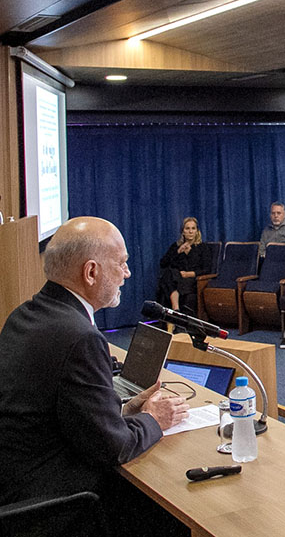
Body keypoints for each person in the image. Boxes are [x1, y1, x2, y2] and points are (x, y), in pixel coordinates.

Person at [0, 217, 189, 524]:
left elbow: (65, 410)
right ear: (91, 272)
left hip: (14, 476)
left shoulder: (25, 314)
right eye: (122, 263)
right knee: (170, 513)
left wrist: (123, 409)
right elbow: (113, 448)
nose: (127, 273)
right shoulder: (80, 337)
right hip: (48, 499)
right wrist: (155, 418)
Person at [155, 217, 212, 314]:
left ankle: (175, 309)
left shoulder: (203, 247)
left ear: (197, 231)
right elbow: (163, 263)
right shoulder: (176, 246)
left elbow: (207, 269)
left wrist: (189, 273)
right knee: (169, 273)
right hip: (176, 277)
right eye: (187, 228)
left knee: (168, 278)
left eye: (193, 229)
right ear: (183, 231)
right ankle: (176, 308)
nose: (190, 232)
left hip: (192, 280)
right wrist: (178, 252)